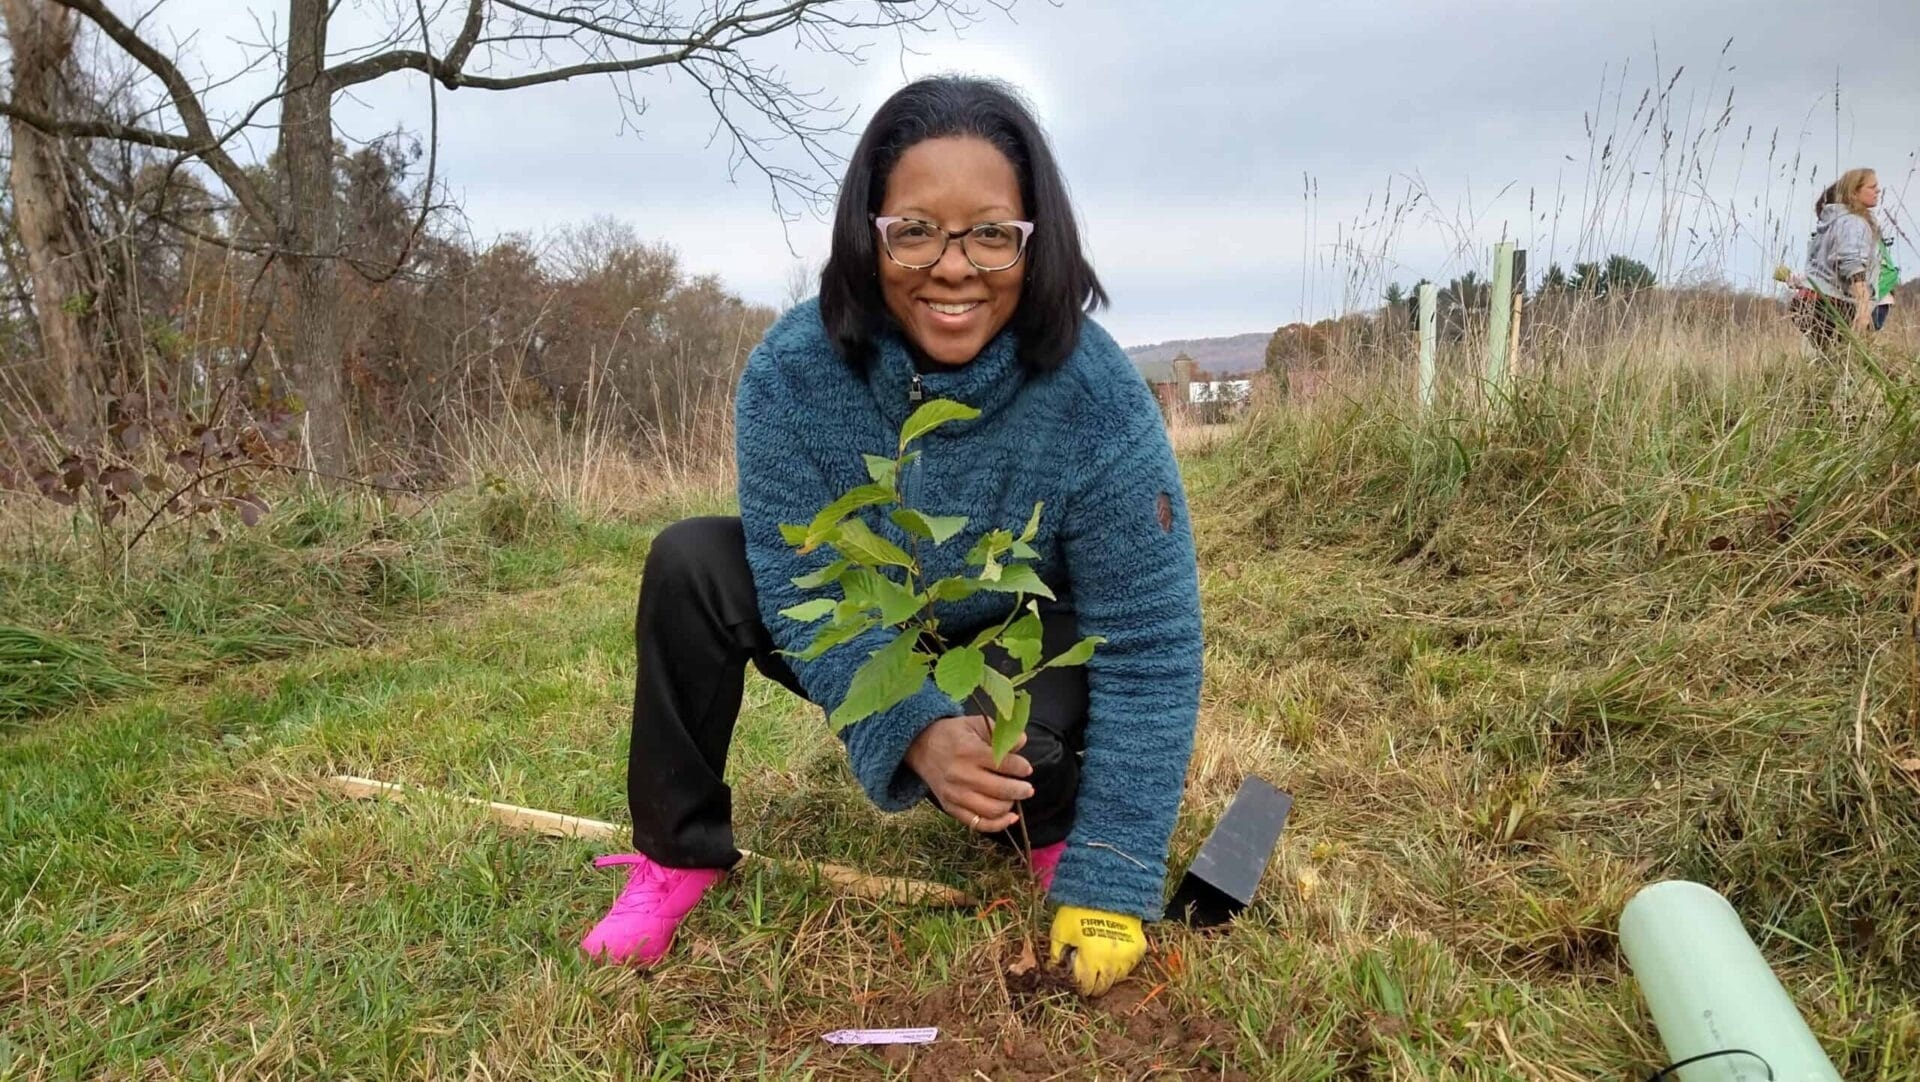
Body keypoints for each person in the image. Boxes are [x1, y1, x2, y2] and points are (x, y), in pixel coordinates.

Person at [580, 75, 1204, 999]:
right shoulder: (793, 374)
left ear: (1037, 242)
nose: (954, 268)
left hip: (1021, 641)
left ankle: (1066, 828)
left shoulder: (1098, 395)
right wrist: (911, 725)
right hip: (869, 625)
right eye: (915, 230)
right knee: (690, 563)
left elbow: (1151, 647)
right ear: (868, 235)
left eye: (992, 233)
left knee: (1021, 760)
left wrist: (1115, 871)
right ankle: (678, 854)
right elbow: (801, 587)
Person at [1793, 168, 1885, 351]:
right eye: (1872, 187)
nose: (1878, 191)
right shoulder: (1853, 222)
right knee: (1846, 366)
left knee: (1832, 364)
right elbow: (1851, 263)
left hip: (1809, 301)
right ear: (1854, 192)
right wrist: (1864, 307)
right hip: (1830, 304)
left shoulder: (1833, 221)